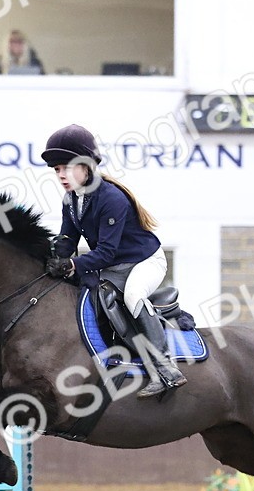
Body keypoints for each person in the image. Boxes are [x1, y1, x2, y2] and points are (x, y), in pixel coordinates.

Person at [41, 124, 186, 397]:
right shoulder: (70, 199)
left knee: (132, 296)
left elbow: (105, 252)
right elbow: (68, 240)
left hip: (144, 261)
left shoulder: (111, 198)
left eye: (67, 167)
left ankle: (166, 367)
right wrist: (49, 253)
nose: (60, 175)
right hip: (114, 265)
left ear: (86, 166)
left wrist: (72, 264)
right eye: (57, 169)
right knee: (90, 294)